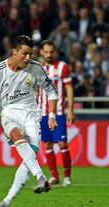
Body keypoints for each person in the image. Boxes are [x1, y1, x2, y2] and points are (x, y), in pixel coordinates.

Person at [0, 35, 58, 207]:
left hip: (32, 115)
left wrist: (52, 115)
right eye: (25, 54)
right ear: (14, 52)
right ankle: (41, 177)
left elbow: (52, 91)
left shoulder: (36, 68)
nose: (28, 58)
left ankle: (6, 202)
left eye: (30, 54)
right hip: (9, 113)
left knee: (28, 157)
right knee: (17, 136)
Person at [38, 40, 75, 187]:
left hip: (58, 112)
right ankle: (54, 176)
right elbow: (35, 90)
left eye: (51, 51)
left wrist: (71, 109)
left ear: (55, 52)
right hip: (42, 112)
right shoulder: (38, 68)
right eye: (46, 52)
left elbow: (70, 89)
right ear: (41, 52)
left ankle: (67, 176)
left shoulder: (62, 67)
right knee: (47, 144)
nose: (49, 54)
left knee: (62, 143)